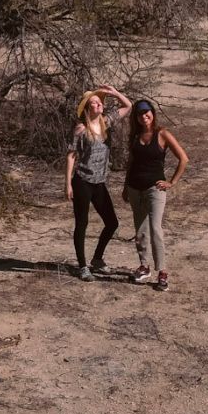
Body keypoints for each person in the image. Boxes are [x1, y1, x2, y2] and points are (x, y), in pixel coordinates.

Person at [65, 84, 132, 281]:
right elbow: (71, 156)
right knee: (82, 224)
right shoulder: (80, 129)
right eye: (93, 103)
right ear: (86, 108)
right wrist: (68, 183)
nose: (98, 104)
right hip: (82, 181)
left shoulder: (106, 122)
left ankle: (97, 259)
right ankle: (82, 266)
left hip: (100, 183)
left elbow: (128, 107)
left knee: (112, 223)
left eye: (99, 102)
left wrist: (114, 93)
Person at [123, 98, 189, 292]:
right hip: (135, 188)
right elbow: (131, 163)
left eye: (147, 112)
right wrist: (126, 186)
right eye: (140, 114)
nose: (144, 116)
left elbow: (183, 159)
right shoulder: (135, 136)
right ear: (136, 117)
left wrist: (172, 182)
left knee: (155, 229)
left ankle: (162, 271)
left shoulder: (162, 134)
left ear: (152, 112)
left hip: (155, 189)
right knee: (140, 230)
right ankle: (144, 266)